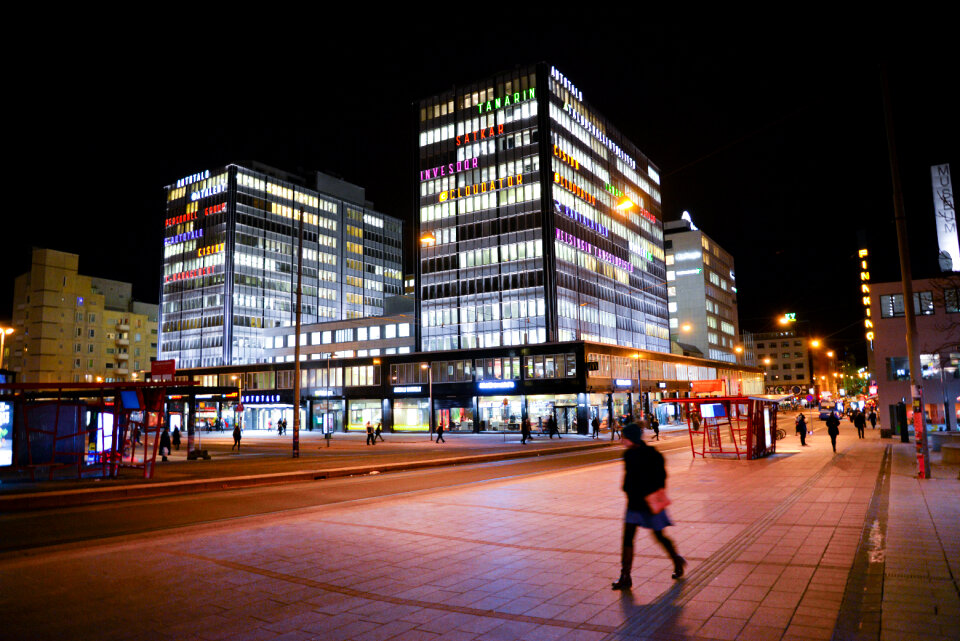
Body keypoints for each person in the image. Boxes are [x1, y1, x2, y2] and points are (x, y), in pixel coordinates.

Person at [612, 421, 685, 590]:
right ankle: (625, 576)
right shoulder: (630, 455)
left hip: (649, 504)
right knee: (628, 538)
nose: (621, 440)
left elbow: (659, 478)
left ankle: (676, 559)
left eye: (624, 437)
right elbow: (655, 479)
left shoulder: (649, 455)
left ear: (631, 438)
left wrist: (643, 491)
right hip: (636, 504)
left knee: (658, 536)